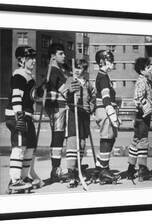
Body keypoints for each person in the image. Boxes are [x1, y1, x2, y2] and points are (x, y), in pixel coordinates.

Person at [5, 45, 40, 192]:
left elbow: (30, 97)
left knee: (29, 147)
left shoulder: (29, 76)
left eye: (34, 58)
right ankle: (14, 180)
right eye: (30, 58)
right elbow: (16, 97)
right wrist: (19, 116)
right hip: (18, 117)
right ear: (21, 60)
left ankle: (24, 177)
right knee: (19, 148)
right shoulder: (19, 75)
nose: (33, 61)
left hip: (27, 117)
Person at [45, 43, 80, 182]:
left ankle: (56, 169)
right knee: (57, 137)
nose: (64, 56)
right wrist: (72, 83)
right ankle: (55, 169)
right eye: (61, 54)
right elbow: (61, 90)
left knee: (59, 137)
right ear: (53, 56)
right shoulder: (53, 70)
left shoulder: (58, 70)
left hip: (61, 106)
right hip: (56, 107)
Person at [126, 57, 152, 182]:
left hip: (142, 116)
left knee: (136, 140)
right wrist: (146, 107)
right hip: (142, 116)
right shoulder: (141, 82)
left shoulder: (146, 80)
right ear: (141, 70)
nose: (149, 68)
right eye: (147, 67)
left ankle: (130, 168)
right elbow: (138, 98)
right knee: (143, 141)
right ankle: (142, 168)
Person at [65, 59, 96, 188]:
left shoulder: (88, 83)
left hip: (84, 114)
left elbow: (93, 96)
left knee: (82, 142)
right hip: (73, 112)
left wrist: (91, 106)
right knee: (73, 142)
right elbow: (65, 94)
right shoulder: (70, 80)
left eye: (81, 68)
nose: (78, 71)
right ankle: (71, 173)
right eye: (76, 68)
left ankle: (78, 167)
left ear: (84, 70)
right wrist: (70, 92)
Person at [94, 50, 121, 184]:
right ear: (102, 62)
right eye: (110, 60)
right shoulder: (103, 77)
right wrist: (112, 115)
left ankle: (100, 167)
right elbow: (106, 98)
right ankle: (103, 170)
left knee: (109, 138)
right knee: (107, 139)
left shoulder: (103, 76)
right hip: (105, 111)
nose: (112, 63)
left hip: (104, 111)